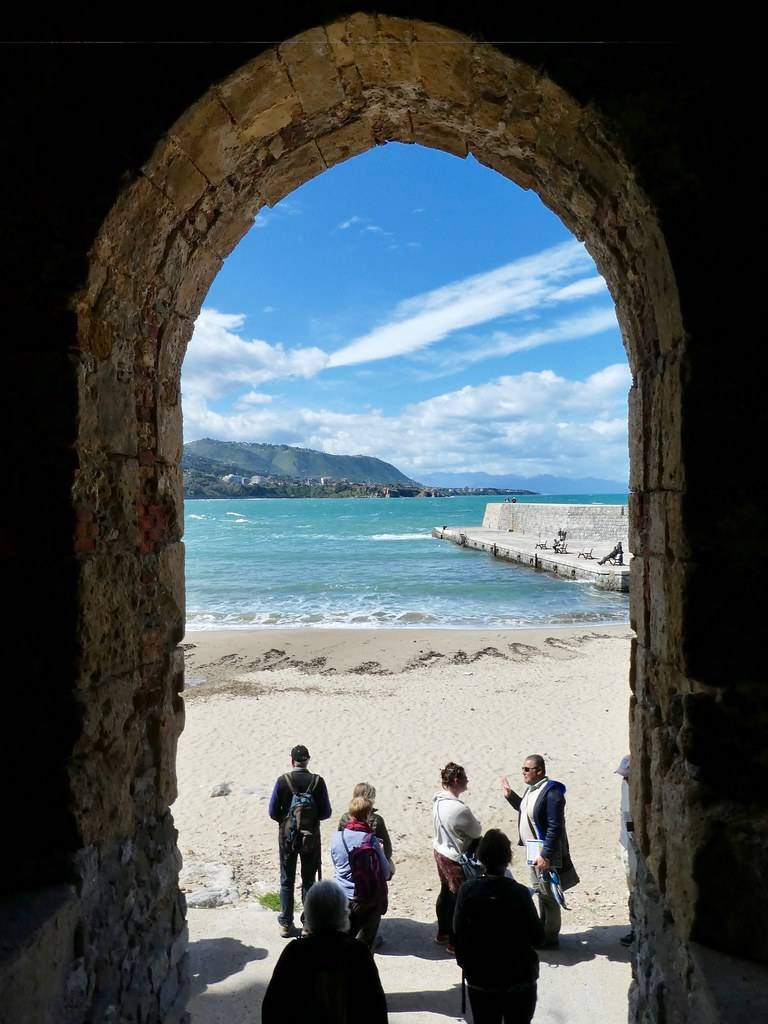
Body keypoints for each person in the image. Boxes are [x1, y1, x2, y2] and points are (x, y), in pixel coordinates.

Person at [261, 879, 389, 1024]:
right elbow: (376, 1010)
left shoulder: (295, 953)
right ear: (344, 914)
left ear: (308, 914)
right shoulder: (358, 953)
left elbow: (272, 1009)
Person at [453, 829, 544, 1024]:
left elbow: (458, 933)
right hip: (519, 979)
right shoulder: (519, 893)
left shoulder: (467, 891)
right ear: (508, 859)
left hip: (481, 979)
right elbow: (538, 936)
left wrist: (467, 964)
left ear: (481, 858)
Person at [501, 754, 578, 949]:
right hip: (533, 851)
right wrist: (511, 796)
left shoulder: (552, 793)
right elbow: (526, 809)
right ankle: (543, 930)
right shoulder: (532, 790)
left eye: (527, 769)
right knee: (541, 892)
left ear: (540, 771)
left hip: (545, 853)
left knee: (549, 896)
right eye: (523, 769)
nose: (523, 773)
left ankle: (550, 938)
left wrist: (546, 855)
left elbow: (555, 826)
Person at [268, 743, 332, 937]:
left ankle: (286, 923)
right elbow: (326, 812)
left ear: (292, 760)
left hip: (287, 838)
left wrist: (286, 821)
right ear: (307, 760)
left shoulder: (283, 781)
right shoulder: (317, 782)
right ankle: (308, 924)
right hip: (310, 838)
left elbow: (272, 811)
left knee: (287, 880)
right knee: (308, 880)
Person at [432, 761, 483, 953]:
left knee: (445, 893)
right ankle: (455, 942)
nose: (467, 781)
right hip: (453, 857)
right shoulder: (459, 809)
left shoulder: (437, 801)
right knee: (458, 900)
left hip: (439, 851)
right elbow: (477, 831)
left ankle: (442, 932)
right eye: (464, 778)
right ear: (456, 781)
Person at [331, 796, 392, 950]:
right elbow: (385, 873)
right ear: (367, 815)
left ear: (350, 814)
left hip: (343, 895)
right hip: (367, 898)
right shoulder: (370, 840)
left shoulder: (337, 837)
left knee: (342, 940)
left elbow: (336, 863)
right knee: (365, 945)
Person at [338, 782, 393, 863]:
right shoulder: (377, 820)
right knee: (391, 867)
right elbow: (388, 851)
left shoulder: (344, 818)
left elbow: (339, 844)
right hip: (370, 865)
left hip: (348, 862)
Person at [615, 754, 637, 946]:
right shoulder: (625, 787)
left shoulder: (636, 789)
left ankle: (637, 929)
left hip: (635, 846)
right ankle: (635, 928)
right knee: (631, 887)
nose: (624, 779)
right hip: (626, 844)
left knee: (637, 888)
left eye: (627, 775)